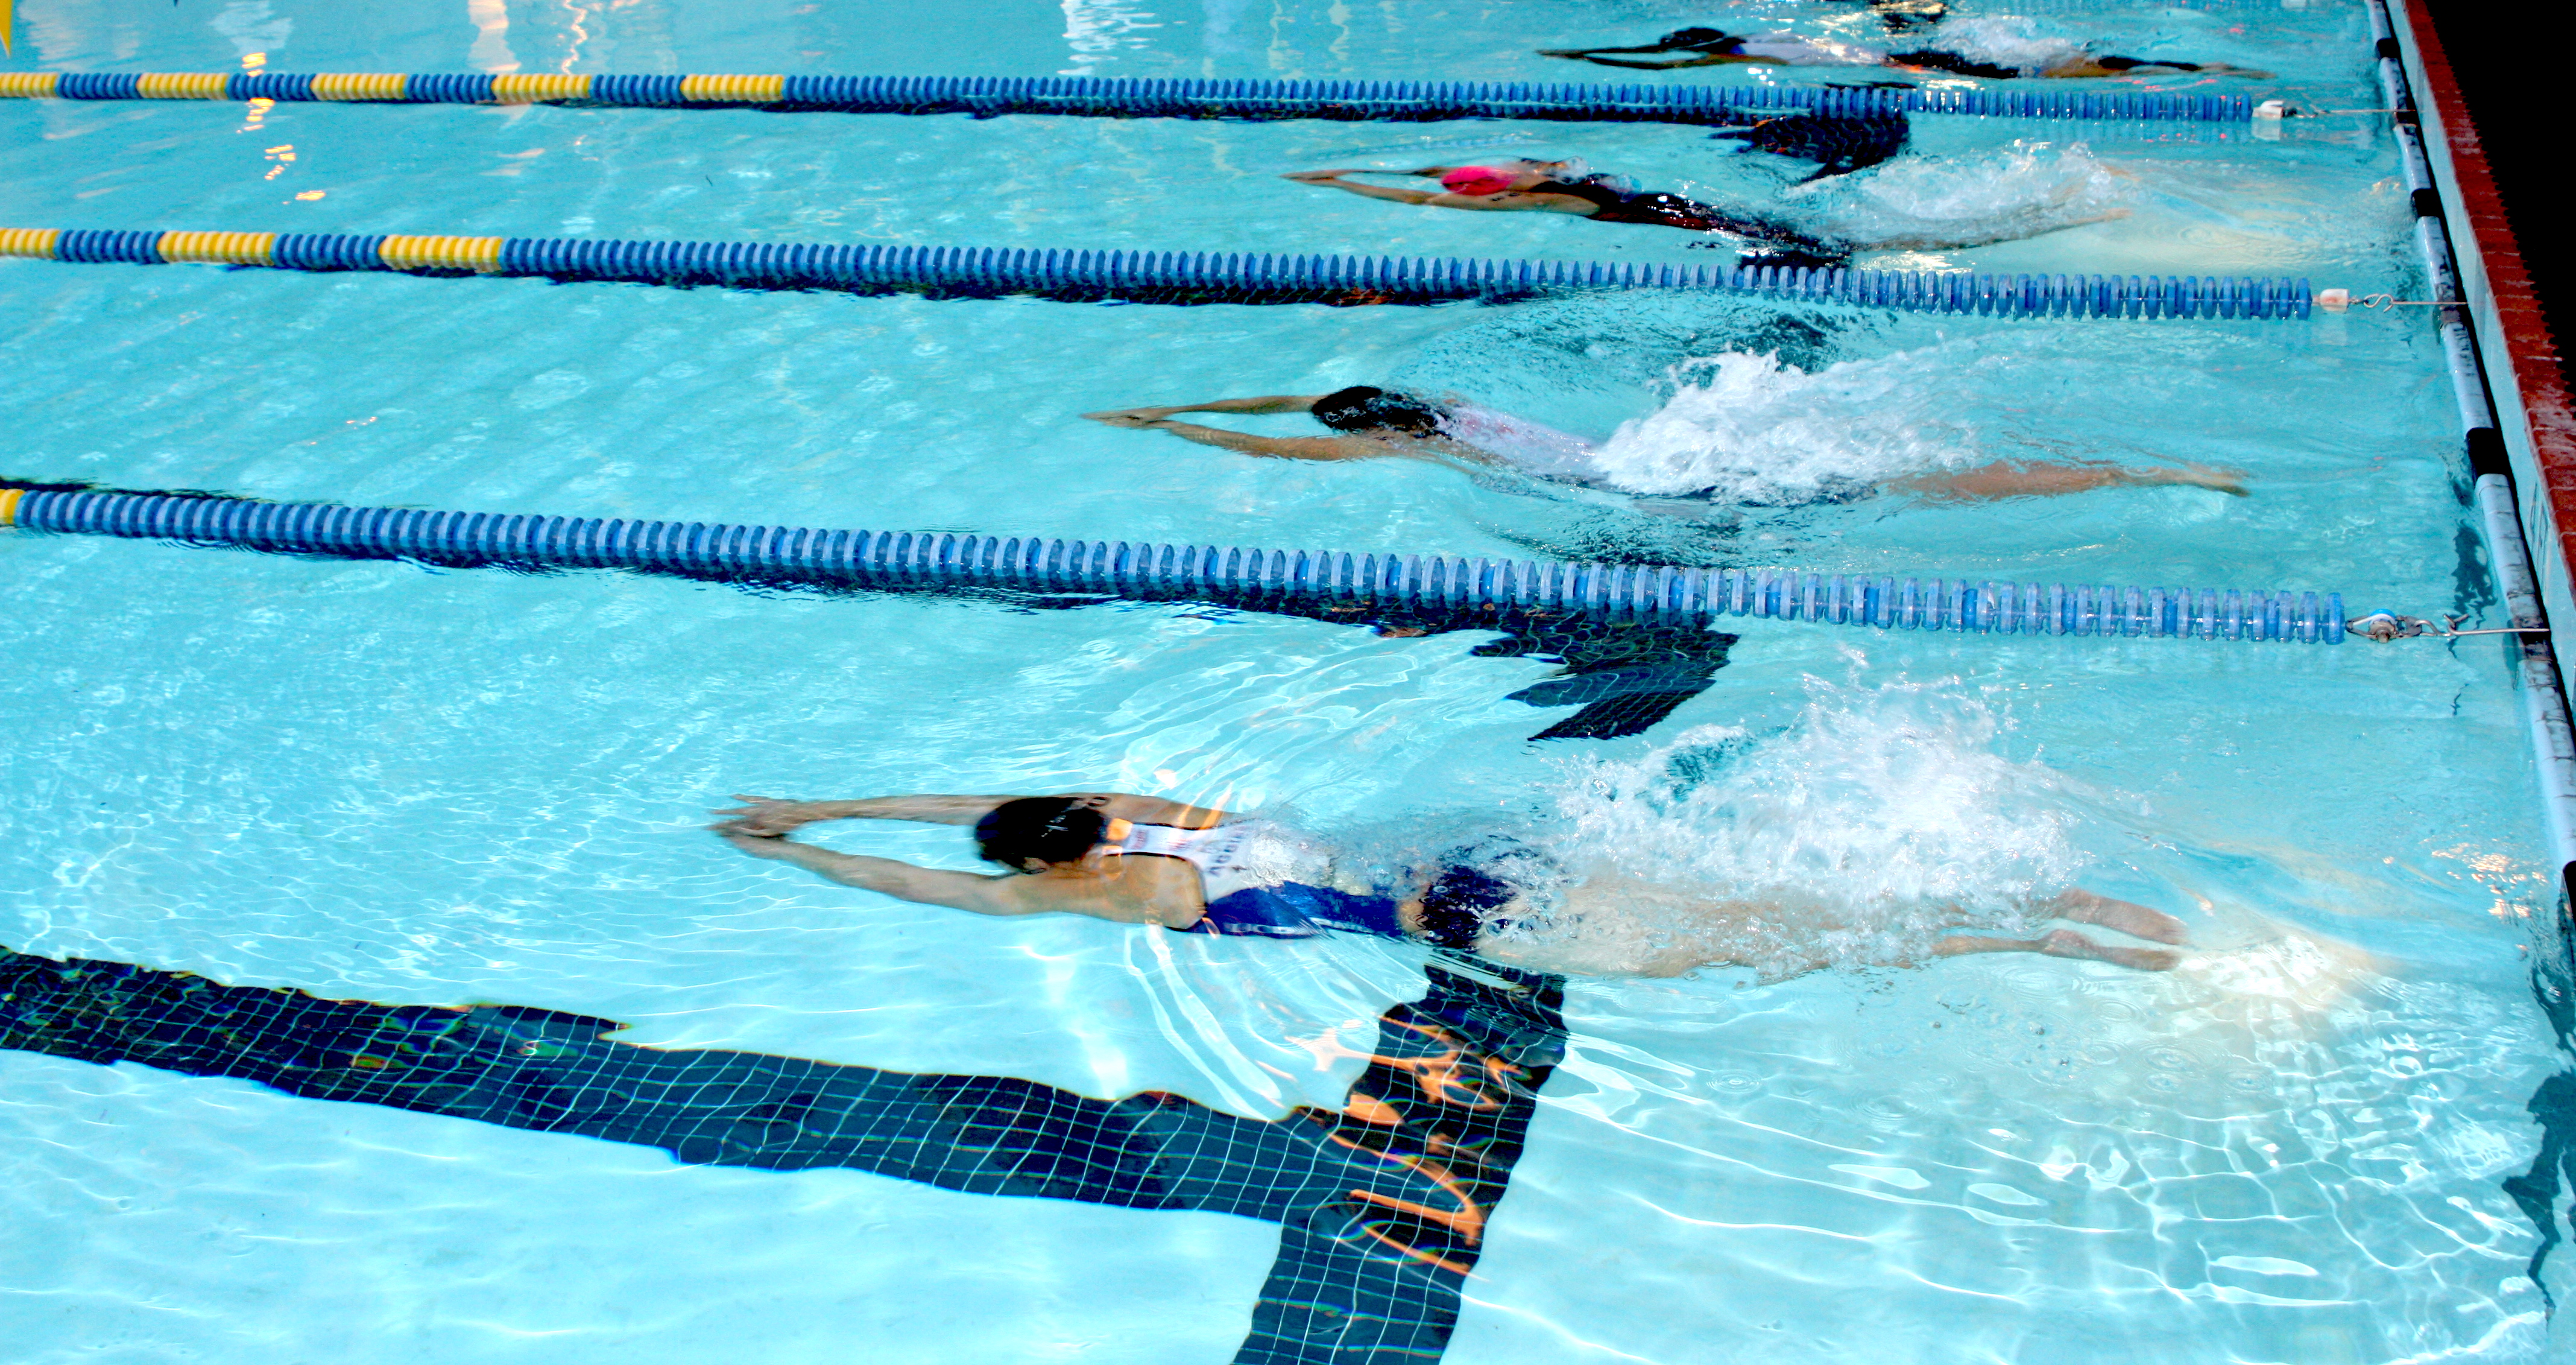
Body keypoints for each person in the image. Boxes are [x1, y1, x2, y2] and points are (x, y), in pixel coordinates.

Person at [710, 791, 2190, 977]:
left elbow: (932, 875)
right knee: (1757, 897)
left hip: (1468, 915)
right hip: (1468, 864)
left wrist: (813, 838)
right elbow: (967, 810)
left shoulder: (1104, 891)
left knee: (1768, 941)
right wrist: (825, 806)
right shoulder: (1145, 816)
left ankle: (2037, 934)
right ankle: (2037, 899)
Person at [1081, 385, 2250, 499]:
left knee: (1932, 488)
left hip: (1663, 492)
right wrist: (1205, 398)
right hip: (1658, 446)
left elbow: (1284, 450)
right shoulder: (1449, 410)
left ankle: (2137, 472)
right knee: (1903, 469)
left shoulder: (1413, 453)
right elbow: (1299, 403)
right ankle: (2140, 465)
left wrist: (1175, 424)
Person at [1284, 159, 1849, 268]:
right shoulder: (1534, 180)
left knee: (1764, 241)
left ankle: (1824, 253)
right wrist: (1343, 176)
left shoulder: (1527, 188)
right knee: (1762, 235)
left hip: (1652, 213)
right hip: (1658, 206)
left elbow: (1421, 184)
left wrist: (1342, 178)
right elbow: (1421, 184)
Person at [1540, 25, 2271, 80]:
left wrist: (1590, 59)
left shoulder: (1736, 58)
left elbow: (1658, 62)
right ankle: (2197, 68)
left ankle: (2202, 70)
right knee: (2047, 66)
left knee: (2039, 72)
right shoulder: (1758, 44)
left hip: (1913, 66)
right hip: (1910, 56)